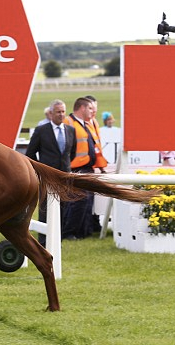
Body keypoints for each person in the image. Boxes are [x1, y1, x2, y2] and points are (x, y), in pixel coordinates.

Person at [25, 99, 76, 246]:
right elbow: (30, 153)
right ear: (51, 113)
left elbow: (71, 153)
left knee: (63, 207)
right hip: (46, 177)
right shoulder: (41, 131)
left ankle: (57, 239)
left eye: (63, 112)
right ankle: (43, 240)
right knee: (45, 208)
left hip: (64, 176)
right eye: (58, 112)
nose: (61, 115)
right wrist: (40, 170)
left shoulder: (70, 130)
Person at [62, 97, 97, 240]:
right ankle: (69, 232)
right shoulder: (69, 123)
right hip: (76, 169)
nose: (92, 111)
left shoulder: (86, 124)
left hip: (87, 168)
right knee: (78, 201)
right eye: (89, 108)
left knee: (87, 202)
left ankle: (83, 231)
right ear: (82, 108)